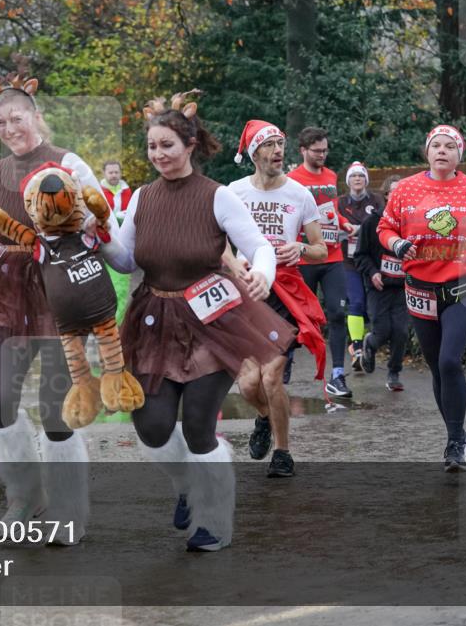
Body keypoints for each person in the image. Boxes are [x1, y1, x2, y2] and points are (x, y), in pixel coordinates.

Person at [101, 94, 297, 550]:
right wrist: (99, 237)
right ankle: (188, 483)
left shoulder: (217, 196)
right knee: (150, 425)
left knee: (196, 426)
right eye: (151, 147)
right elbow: (126, 259)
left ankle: (215, 521)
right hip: (153, 320)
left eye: (166, 145)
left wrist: (263, 275)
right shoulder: (143, 198)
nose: (158, 155)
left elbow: (259, 246)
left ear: (189, 145)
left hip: (212, 321)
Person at [0, 62, 110, 545]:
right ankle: (26, 498)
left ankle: (68, 511)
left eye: (16, 119)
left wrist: (86, 224)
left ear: (36, 116)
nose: (9, 129)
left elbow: (101, 218)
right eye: (0, 123)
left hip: (56, 290)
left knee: (55, 409)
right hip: (5, 292)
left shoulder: (69, 163)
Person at [378, 125, 466, 472]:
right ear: (427, 151)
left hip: (465, 288)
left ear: (459, 155)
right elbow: (385, 227)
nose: (443, 151)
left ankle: (454, 444)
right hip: (420, 289)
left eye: (451, 146)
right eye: (437, 145)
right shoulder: (405, 189)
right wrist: (397, 244)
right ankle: (456, 433)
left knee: (450, 361)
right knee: (436, 366)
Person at [226, 120, 328, 477]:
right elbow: (219, 242)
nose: (277, 151)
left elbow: (320, 248)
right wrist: (231, 261)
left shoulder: (300, 194)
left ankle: (283, 453)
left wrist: (301, 246)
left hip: (284, 293)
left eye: (280, 145)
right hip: (245, 293)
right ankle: (264, 419)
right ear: (254, 153)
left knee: (272, 379)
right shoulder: (233, 192)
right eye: (269, 145)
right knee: (249, 384)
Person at [287, 127, 355, 398]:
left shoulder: (330, 175)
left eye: (325, 150)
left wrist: (344, 222)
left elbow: (330, 210)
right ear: (303, 150)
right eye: (317, 151)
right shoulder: (291, 180)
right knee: (297, 316)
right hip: (304, 257)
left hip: (332, 255)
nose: (322, 155)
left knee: (338, 314)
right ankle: (285, 361)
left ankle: (338, 374)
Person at [354, 175, 407, 391]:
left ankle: (394, 373)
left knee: (401, 332)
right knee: (383, 330)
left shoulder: (411, 223)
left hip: (402, 286)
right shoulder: (372, 222)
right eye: (394, 191)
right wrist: (373, 272)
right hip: (378, 286)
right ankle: (370, 344)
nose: (399, 196)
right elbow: (360, 255)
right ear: (386, 195)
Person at [337, 162, 385, 370]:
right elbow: (330, 227)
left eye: (361, 176)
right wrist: (346, 232)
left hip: (372, 262)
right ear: (348, 181)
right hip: (348, 262)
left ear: (366, 179)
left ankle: (361, 342)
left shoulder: (376, 201)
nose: (357, 179)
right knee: (355, 303)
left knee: (369, 309)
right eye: (353, 176)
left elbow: (383, 225)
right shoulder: (339, 203)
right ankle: (356, 348)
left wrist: (362, 231)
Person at [99, 160, 134, 325]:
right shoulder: (97, 192)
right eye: (110, 172)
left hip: (123, 246)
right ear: (104, 173)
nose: (114, 175)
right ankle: (103, 323)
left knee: (120, 287)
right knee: (102, 287)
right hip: (101, 245)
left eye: (116, 172)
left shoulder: (128, 192)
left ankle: (116, 324)